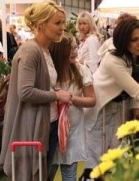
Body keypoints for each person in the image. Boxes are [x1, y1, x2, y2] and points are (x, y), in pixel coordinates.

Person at [0, 0, 72, 181]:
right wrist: (56, 95)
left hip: (47, 123)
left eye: (63, 23)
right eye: (57, 23)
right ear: (41, 24)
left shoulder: (44, 50)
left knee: (41, 174)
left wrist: (53, 91)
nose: (62, 27)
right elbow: (25, 91)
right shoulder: (31, 51)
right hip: (32, 125)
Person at [80, 18, 139, 180]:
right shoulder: (112, 59)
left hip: (120, 106)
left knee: (116, 157)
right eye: (134, 39)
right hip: (100, 109)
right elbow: (137, 91)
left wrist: (136, 106)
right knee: (95, 163)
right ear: (123, 40)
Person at [49, 32, 96, 181]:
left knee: (70, 175)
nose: (75, 52)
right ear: (59, 51)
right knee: (46, 174)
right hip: (51, 132)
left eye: (76, 47)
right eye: (71, 48)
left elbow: (92, 100)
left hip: (73, 133)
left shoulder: (81, 70)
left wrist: (72, 98)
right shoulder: (50, 73)